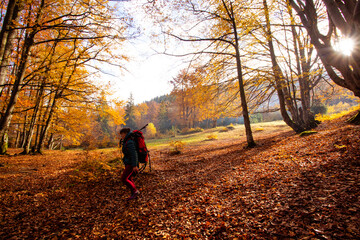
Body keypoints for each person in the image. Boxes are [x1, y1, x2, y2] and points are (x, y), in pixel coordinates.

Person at [120, 128, 140, 200]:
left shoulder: (129, 142)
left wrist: (134, 165)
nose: (121, 136)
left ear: (125, 133)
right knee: (129, 178)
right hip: (129, 162)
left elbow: (134, 154)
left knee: (124, 178)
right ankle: (133, 192)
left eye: (121, 134)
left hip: (131, 164)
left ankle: (135, 191)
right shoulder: (127, 141)